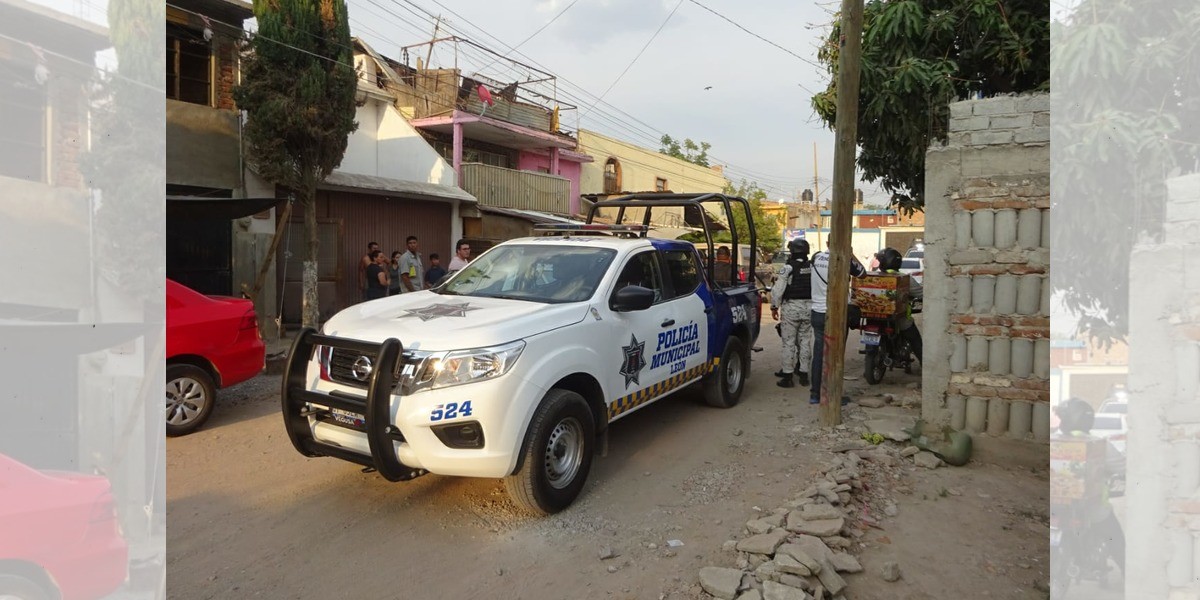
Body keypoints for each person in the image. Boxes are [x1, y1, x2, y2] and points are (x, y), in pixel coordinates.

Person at [1053, 397, 1126, 576]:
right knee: (1116, 540)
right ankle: (1131, 579)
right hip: (1091, 510)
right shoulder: (1098, 445)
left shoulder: (1052, 440)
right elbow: (1124, 466)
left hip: (1054, 506)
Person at [810, 239, 867, 405]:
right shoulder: (844, 260)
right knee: (834, 355)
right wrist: (850, 253)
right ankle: (832, 396)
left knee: (819, 354)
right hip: (835, 314)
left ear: (827, 242)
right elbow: (862, 273)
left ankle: (815, 394)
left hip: (817, 312)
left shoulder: (816, 257)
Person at [770, 238, 814, 389]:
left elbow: (777, 290)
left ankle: (787, 375)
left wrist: (774, 307)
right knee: (805, 341)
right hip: (809, 308)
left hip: (791, 308)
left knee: (788, 342)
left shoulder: (787, 268)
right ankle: (803, 374)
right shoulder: (812, 267)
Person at [873, 247, 923, 361]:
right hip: (898, 320)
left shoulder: (873, 276)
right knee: (915, 339)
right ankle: (925, 366)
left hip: (874, 317)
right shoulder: (904, 279)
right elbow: (921, 293)